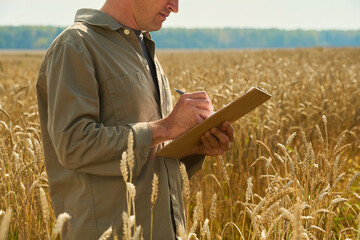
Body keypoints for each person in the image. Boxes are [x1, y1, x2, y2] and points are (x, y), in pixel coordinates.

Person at [36, 0, 234, 239]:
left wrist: (194, 147)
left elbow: (148, 155)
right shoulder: (75, 45)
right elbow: (74, 144)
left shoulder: (143, 47)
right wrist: (168, 126)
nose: (175, 6)